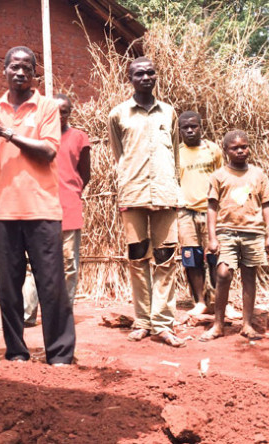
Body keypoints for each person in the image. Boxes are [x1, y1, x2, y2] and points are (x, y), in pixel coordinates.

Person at [0, 46, 76, 365]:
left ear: (35, 73)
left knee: (51, 286)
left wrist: (7, 133)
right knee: (8, 290)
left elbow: (48, 151)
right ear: (5, 70)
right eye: (14, 66)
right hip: (1, 211)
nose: (20, 72)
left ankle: (60, 354)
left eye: (27, 67)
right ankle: (16, 352)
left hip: (42, 210)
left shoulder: (47, 107)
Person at [108, 56, 185, 347]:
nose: (145, 77)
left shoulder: (169, 112)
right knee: (137, 256)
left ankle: (163, 324)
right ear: (130, 78)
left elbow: (175, 155)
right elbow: (120, 155)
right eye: (139, 73)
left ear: (156, 76)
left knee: (166, 258)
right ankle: (142, 321)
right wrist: (127, 183)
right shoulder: (118, 114)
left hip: (165, 193)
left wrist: (173, 187)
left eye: (150, 72)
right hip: (134, 193)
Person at [199, 130, 269, 341]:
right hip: (227, 233)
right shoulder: (219, 176)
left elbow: (267, 204)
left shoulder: (258, 174)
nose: (241, 150)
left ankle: (247, 325)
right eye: (235, 148)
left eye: (244, 146)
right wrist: (212, 237)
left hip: (253, 233)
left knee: (249, 275)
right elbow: (212, 208)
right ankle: (218, 324)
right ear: (226, 151)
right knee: (223, 275)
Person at [23, 93, 91, 327]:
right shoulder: (36, 139)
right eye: (54, 110)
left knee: (69, 265)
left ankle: (63, 313)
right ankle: (27, 314)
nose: (59, 115)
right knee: (35, 265)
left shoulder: (80, 137)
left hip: (69, 208)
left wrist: (70, 191)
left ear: (70, 113)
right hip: (41, 208)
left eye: (64, 111)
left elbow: (85, 174)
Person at [177, 110, 223, 315]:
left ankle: (221, 303)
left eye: (193, 126)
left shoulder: (213, 150)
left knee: (216, 257)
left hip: (210, 211)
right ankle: (200, 303)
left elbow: (222, 178)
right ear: (179, 131)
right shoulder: (176, 153)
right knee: (191, 258)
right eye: (185, 127)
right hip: (185, 212)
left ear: (200, 126)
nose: (189, 130)